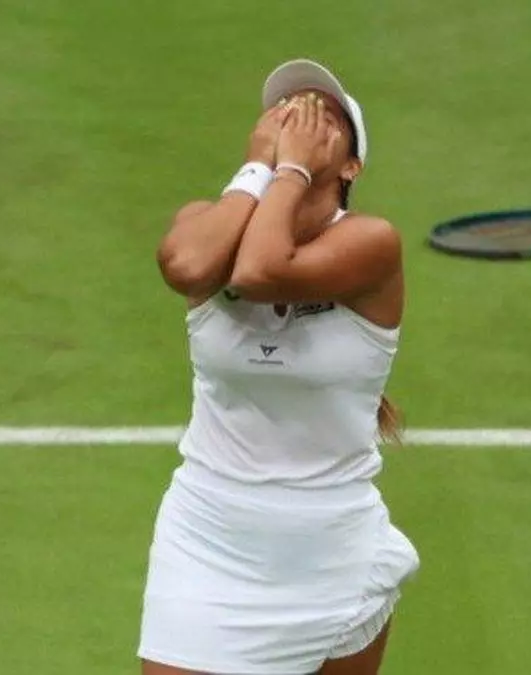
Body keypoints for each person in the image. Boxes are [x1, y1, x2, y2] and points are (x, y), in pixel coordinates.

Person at [140, 58, 420, 675]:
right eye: (286, 108)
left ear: (351, 167)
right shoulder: (201, 223)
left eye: (324, 115)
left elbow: (260, 272)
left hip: (331, 550)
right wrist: (261, 170)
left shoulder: (372, 242)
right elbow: (188, 268)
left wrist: (287, 170)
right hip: (207, 539)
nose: (300, 116)